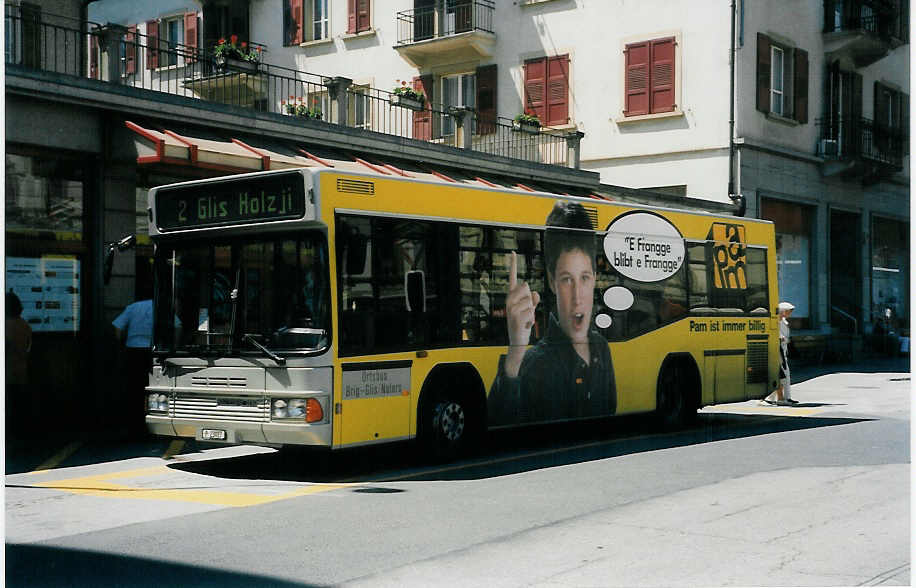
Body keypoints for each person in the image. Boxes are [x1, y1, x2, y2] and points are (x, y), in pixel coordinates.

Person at [488, 201, 616, 425]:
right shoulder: (534, 363)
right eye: (567, 280)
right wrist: (515, 351)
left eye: (584, 278)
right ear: (551, 280)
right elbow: (500, 423)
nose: (577, 297)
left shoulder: (601, 349)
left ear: (595, 277)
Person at [113, 297, 153, 436]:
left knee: (133, 387)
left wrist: (120, 345)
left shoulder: (133, 307)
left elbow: (117, 327)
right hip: (151, 351)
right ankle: (147, 421)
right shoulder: (161, 306)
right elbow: (178, 326)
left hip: (133, 350)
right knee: (149, 387)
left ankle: (132, 423)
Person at [6, 292, 33, 435]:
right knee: (18, 406)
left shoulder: (5, 325)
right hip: (21, 371)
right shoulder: (24, 325)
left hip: (7, 371)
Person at [762, 301, 797, 406]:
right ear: (782, 311)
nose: (789, 314)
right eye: (788, 311)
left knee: (784, 375)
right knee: (782, 374)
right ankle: (777, 398)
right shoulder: (775, 322)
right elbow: (776, 335)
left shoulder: (784, 322)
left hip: (783, 349)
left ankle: (782, 398)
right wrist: (782, 338)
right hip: (778, 350)